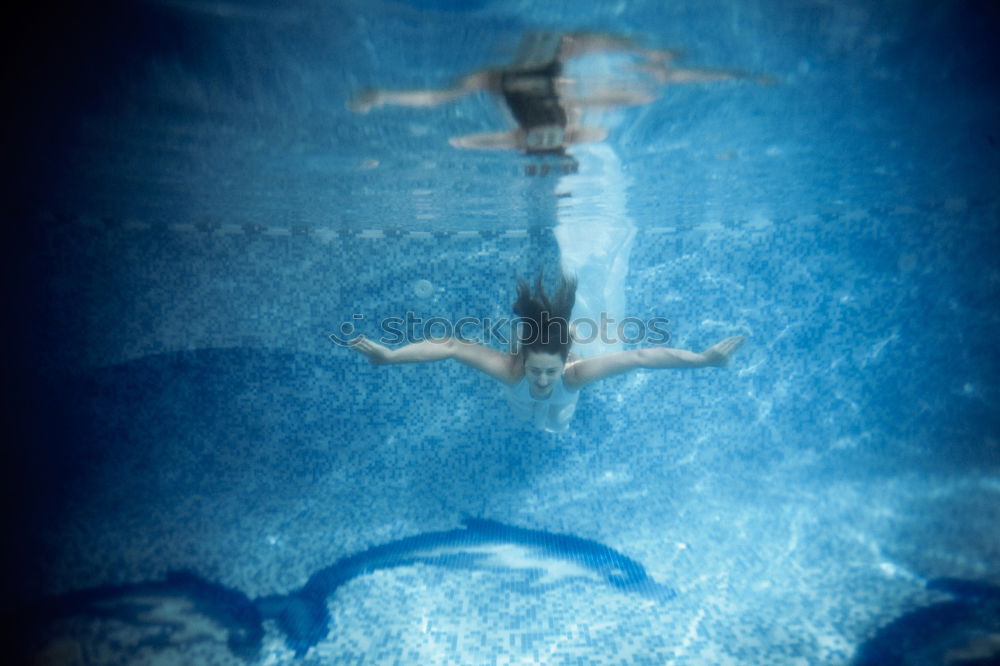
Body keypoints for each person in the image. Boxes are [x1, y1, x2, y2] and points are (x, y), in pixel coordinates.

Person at [348, 272, 744, 433]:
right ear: (522, 358)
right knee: (523, 410)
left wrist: (702, 360)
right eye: (536, 371)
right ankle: (533, 393)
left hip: (562, 371)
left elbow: (640, 357)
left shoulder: (575, 374)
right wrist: (390, 356)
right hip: (522, 356)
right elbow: (451, 345)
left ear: (565, 365)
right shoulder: (510, 369)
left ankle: (552, 413)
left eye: (548, 373)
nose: (540, 380)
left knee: (557, 420)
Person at [349, 31, 763, 159]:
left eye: (538, 139)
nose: (546, 134)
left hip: (528, 61)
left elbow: (439, 99)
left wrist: (384, 96)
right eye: (556, 137)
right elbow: (663, 81)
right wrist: (729, 74)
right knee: (646, 78)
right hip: (566, 62)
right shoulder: (582, 99)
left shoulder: (496, 78)